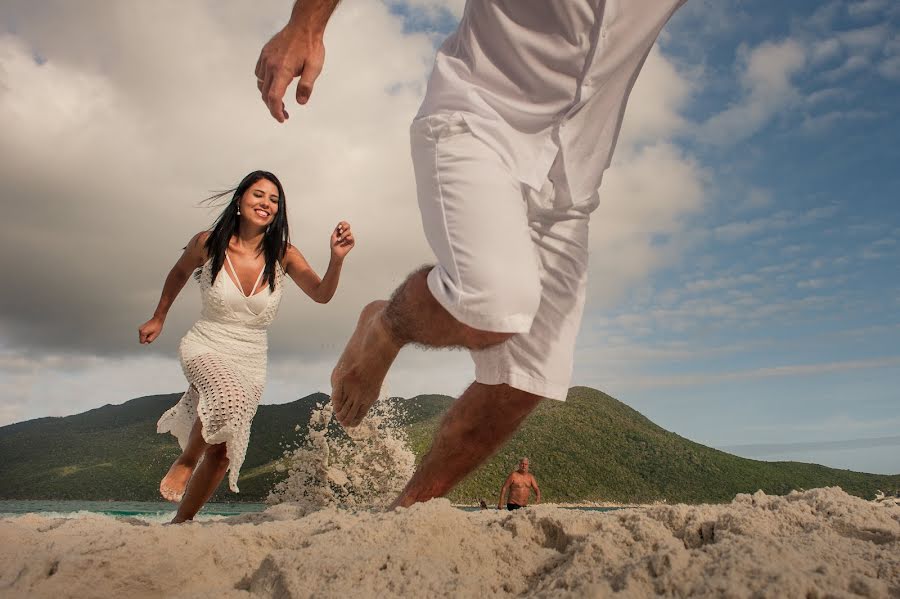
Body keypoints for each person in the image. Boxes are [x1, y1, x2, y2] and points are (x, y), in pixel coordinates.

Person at [255, 0, 685, 508]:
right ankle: (385, 326)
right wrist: (306, 23)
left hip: (571, 184)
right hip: (478, 122)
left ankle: (405, 513)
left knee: (525, 379)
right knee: (494, 303)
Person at [138, 170, 354, 523]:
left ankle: (181, 522)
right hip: (206, 343)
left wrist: (337, 258)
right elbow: (179, 273)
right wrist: (158, 317)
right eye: (258, 195)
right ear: (239, 201)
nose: (266, 204)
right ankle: (187, 460)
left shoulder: (284, 254)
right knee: (227, 397)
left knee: (222, 453)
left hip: (251, 358)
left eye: (274, 200)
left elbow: (321, 294)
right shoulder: (208, 243)